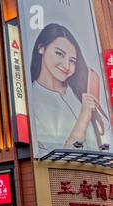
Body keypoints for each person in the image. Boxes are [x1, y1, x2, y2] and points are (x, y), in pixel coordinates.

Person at [30, 23, 111, 154]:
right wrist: (84, 114)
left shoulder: (78, 92)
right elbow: (65, 155)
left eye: (72, 60)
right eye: (59, 54)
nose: (67, 66)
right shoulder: (32, 100)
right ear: (41, 48)